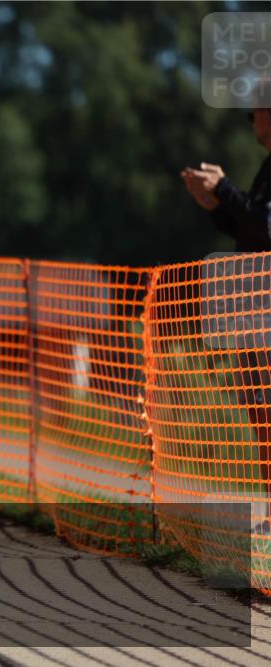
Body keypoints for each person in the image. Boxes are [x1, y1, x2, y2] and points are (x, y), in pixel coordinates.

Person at [182, 105, 271, 532]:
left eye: (255, 113)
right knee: (261, 416)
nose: (253, 123)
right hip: (258, 314)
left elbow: (266, 224)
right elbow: (252, 231)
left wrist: (226, 189)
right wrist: (214, 204)